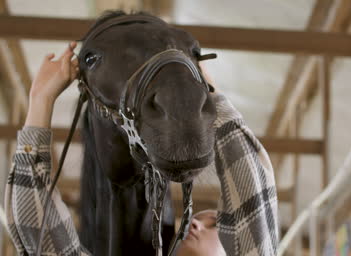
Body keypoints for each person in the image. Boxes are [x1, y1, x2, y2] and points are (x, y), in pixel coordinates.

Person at [4, 42, 278, 256]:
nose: (194, 223)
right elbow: (40, 233)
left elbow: (253, 193)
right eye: (202, 220)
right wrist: (41, 98)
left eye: (215, 226)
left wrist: (212, 98)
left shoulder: (254, 244)